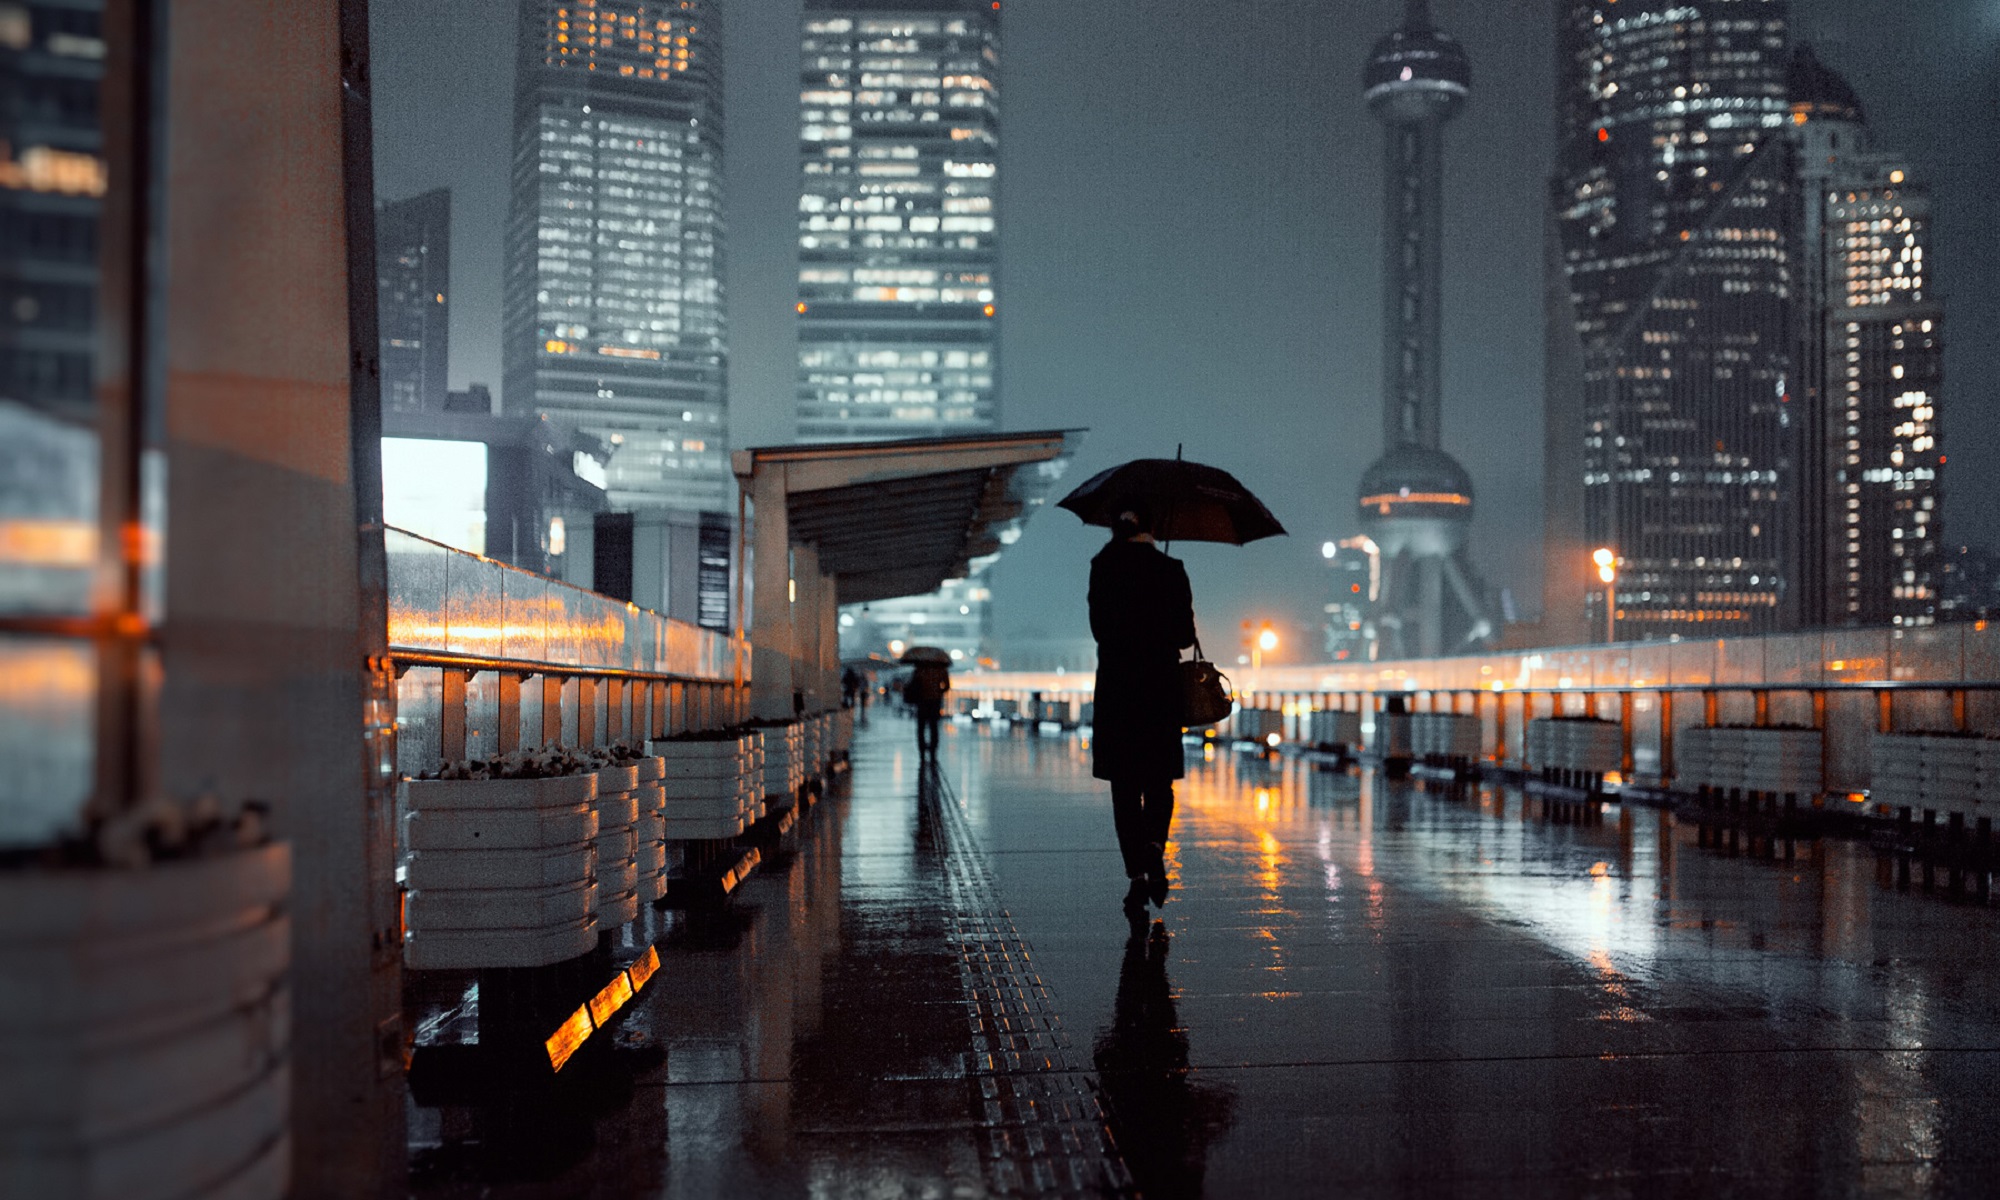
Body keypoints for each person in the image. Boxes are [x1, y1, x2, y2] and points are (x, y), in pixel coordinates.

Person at [1088, 506, 1196, 917]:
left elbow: (1099, 629)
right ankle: (1154, 847)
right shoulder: (1171, 568)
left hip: (1117, 690)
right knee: (1159, 780)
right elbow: (1184, 637)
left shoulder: (1103, 568)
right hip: (1160, 688)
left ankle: (1136, 875)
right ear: (1153, 527)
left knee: (1125, 786)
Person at [904, 661, 949, 759]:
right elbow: (947, 686)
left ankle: (922, 750)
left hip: (922, 701)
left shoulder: (919, 670)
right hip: (935, 702)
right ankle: (933, 750)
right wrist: (938, 691)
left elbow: (913, 684)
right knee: (934, 727)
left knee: (921, 727)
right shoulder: (941, 670)